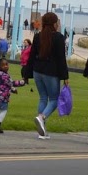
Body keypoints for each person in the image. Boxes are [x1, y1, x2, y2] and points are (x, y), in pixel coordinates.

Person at [28, 11, 70, 140]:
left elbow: (31, 56)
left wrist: (27, 73)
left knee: (43, 98)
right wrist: (65, 76)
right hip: (51, 72)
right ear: (54, 23)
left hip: (37, 71)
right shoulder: (58, 37)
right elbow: (61, 58)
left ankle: (42, 131)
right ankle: (41, 117)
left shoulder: (37, 36)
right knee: (54, 100)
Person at [0, 54, 25, 134]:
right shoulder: (3, 75)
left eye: (7, 64)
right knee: (2, 111)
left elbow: (4, 85)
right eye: (3, 65)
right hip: (0, 98)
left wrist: (12, 90)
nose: (6, 66)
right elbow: (11, 83)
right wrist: (22, 82)